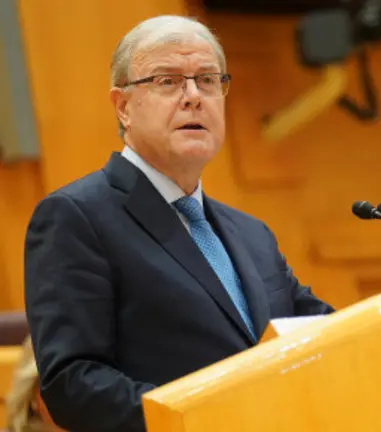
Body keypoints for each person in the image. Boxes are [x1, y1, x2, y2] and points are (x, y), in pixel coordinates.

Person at [23, 15, 334, 432]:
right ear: (124, 107)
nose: (193, 96)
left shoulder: (252, 233)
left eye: (207, 80)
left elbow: (324, 333)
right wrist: (201, 420)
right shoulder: (76, 216)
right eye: (167, 81)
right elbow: (73, 383)